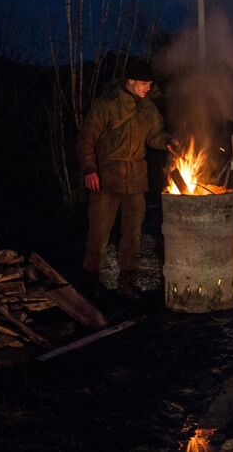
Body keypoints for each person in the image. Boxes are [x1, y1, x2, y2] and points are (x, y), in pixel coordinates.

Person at [76, 60, 177, 300]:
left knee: (132, 234)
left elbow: (154, 136)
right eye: (143, 83)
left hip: (135, 179)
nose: (147, 88)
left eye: (150, 84)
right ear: (130, 81)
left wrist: (167, 142)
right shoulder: (107, 105)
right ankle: (90, 284)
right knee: (99, 233)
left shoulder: (148, 109)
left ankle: (127, 281)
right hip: (107, 178)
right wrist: (90, 169)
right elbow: (86, 139)